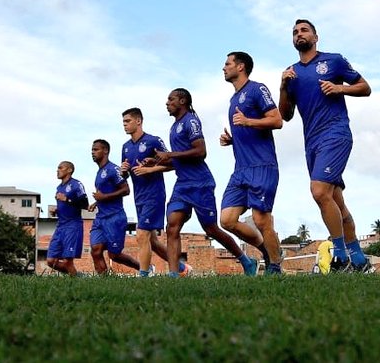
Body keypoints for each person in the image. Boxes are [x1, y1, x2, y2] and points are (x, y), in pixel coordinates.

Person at [278, 19, 373, 273]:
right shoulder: (292, 73)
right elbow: (285, 115)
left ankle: (340, 256)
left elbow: (365, 88)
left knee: (319, 191)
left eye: (304, 30)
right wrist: (283, 87)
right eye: (295, 32)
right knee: (335, 202)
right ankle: (361, 261)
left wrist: (340, 88)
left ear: (315, 37)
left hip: (336, 133)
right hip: (312, 142)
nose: (299, 34)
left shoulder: (334, 60)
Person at [156, 88, 260, 276]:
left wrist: (170, 154)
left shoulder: (191, 121)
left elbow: (200, 151)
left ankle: (246, 260)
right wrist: (158, 161)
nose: (167, 103)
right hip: (182, 185)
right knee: (172, 227)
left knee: (211, 229)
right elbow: (179, 159)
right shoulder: (174, 127)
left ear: (182, 101)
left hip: (200, 183)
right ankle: (174, 274)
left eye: (170, 99)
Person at [218, 51, 284, 274]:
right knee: (226, 220)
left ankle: (275, 268)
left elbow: (277, 120)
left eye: (227, 64)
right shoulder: (233, 100)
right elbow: (246, 130)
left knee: (261, 219)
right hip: (241, 170)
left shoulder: (257, 89)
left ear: (241, 67)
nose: (224, 68)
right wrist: (232, 140)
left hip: (262, 166)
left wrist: (247, 120)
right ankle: (266, 250)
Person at [119, 107, 183, 277]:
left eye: (127, 121)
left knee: (141, 234)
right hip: (138, 196)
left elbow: (173, 163)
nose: (124, 125)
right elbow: (125, 175)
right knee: (152, 241)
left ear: (138, 121)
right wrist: (123, 171)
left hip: (154, 194)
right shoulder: (125, 147)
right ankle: (181, 268)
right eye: (123, 122)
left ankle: (144, 275)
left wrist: (150, 169)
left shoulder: (153, 141)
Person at [87, 139, 141, 275]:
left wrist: (103, 197)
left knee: (114, 255)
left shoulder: (113, 169)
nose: (92, 152)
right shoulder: (99, 172)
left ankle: (144, 268)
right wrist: (96, 203)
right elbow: (104, 194)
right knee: (96, 250)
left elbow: (126, 190)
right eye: (92, 150)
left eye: (96, 149)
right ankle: (104, 282)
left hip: (115, 217)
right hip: (100, 218)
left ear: (105, 151)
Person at [46, 161, 89, 276]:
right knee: (51, 261)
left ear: (69, 170)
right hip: (60, 226)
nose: (57, 170)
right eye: (57, 168)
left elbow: (85, 204)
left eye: (60, 168)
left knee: (67, 260)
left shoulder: (76, 184)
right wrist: (56, 210)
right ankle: (78, 276)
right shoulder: (59, 188)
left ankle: (75, 283)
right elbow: (66, 206)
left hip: (72, 225)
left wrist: (67, 199)